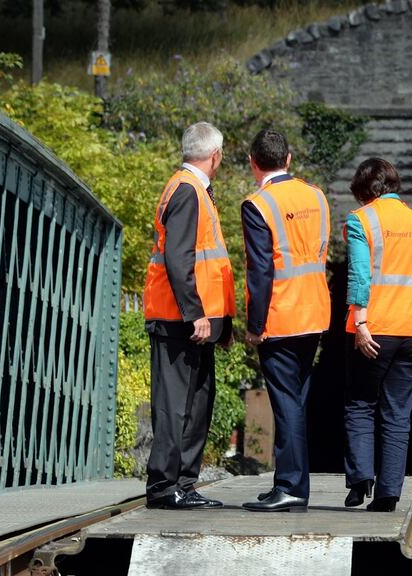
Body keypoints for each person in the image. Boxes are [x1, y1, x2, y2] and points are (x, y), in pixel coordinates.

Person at [143, 121, 235, 510]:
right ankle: (165, 487)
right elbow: (180, 260)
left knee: (196, 404)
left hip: (193, 319)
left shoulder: (193, 190)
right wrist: (196, 313)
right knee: (175, 405)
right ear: (215, 156)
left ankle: (183, 483)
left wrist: (221, 321)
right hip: (179, 318)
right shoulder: (187, 191)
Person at [240, 129, 331, 513]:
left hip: (281, 316)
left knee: (286, 404)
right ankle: (290, 483)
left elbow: (260, 270)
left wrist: (255, 325)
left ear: (253, 163)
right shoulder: (316, 195)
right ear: (289, 159)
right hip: (314, 312)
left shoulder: (257, 204)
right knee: (296, 401)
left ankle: (291, 485)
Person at [342, 158, 412, 512]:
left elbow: (360, 276)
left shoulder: (361, 219)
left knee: (360, 403)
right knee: (398, 413)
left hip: (377, 328)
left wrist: (360, 322)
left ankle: (361, 477)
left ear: (364, 190)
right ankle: (388, 493)